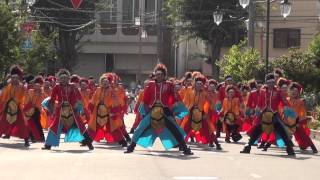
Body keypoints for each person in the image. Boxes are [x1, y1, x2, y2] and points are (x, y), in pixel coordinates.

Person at [125, 63, 193, 155]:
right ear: (155, 75)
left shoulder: (169, 85)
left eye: (160, 74)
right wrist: (144, 111)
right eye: (157, 74)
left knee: (175, 129)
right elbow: (146, 99)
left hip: (164, 110)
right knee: (140, 128)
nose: (159, 76)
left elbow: (174, 97)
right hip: (152, 110)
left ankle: (184, 148)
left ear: (164, 75)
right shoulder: (150, 85)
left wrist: (176, 108)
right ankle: (131, 147)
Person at [240, 73, 295, 156]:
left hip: (274, 114)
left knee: (282, 130)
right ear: (266, 82)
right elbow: (259, 104)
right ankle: (248, 146)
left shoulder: (278, 91)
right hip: (263, 114)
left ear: (274, 82)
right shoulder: (262, 91)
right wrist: (256, 113)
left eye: (272, 82)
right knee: (257, 129)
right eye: (269, 82)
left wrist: (289, 111)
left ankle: (289, 148)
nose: (271, 84)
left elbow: (284, 102)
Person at [41, 69, 94, 150]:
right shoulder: (57, 87)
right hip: (60, 109)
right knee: (54, 126)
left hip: (72, 109)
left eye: (65, 78)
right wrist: (52, 106)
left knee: (80, 125)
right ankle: (48, 145)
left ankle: (89, 143)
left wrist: (78, 105)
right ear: (59, 79)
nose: (64, 80)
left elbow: (78, 97)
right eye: (62, 78)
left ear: (68, 78)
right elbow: (53, 98)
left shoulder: (72, 86)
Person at [0, 65, 30, 147]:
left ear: (19, 78)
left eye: (16, 77)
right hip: (8, 107)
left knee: (22, 124)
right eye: (13, 77)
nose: (14, 79)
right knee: (2, 123)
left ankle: (26, 140)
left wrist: (21, 103)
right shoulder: (8, 86)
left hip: (18, 108)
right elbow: (3, 97)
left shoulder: (22, 87)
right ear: (11, 78)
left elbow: (25, 97)